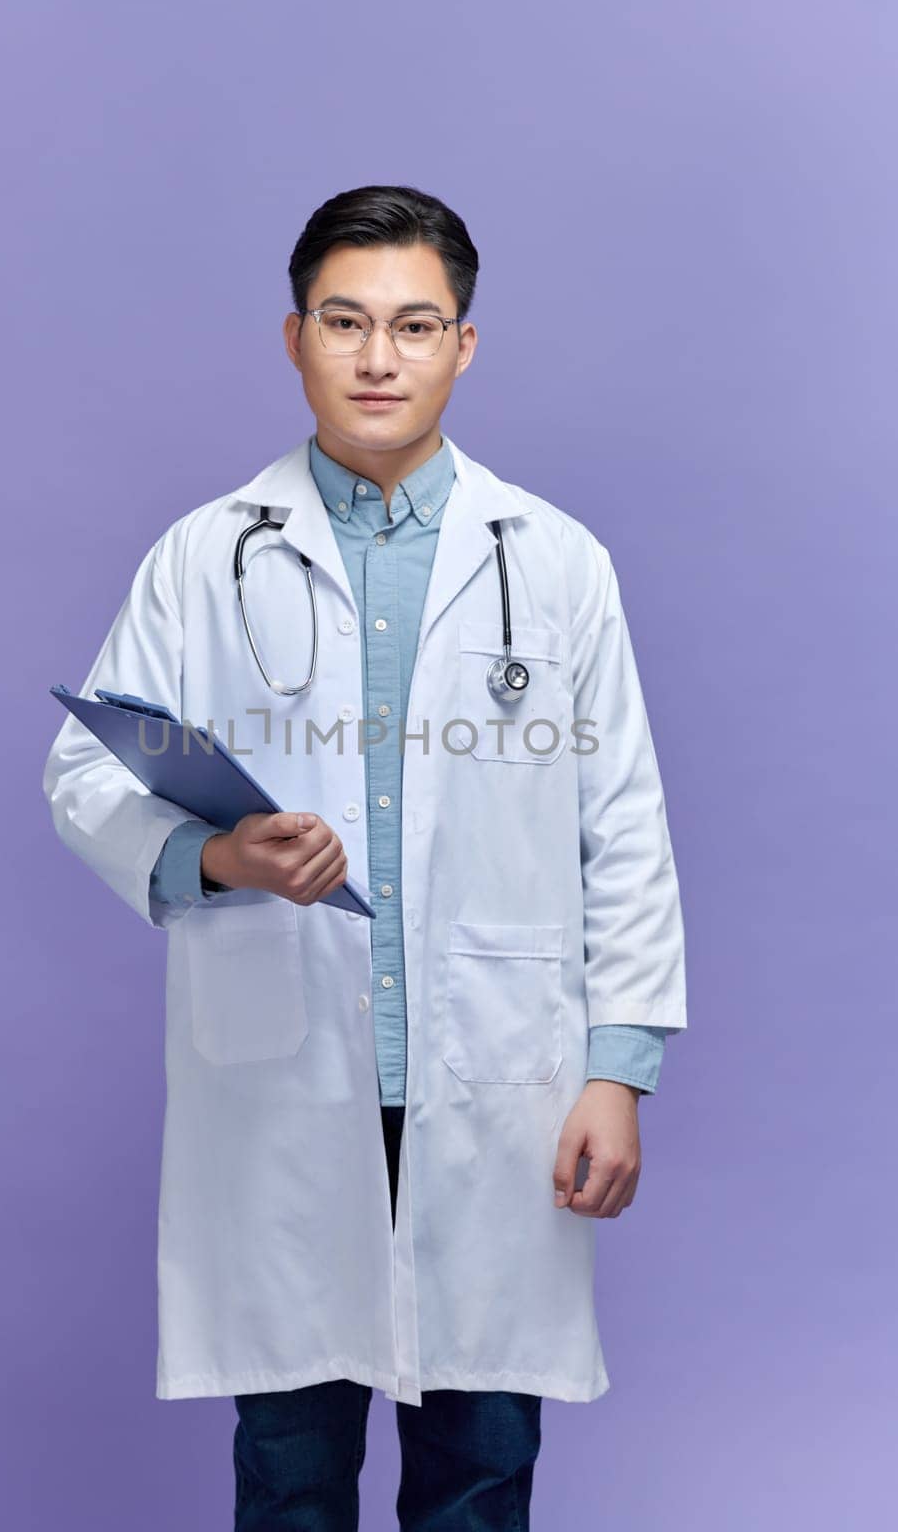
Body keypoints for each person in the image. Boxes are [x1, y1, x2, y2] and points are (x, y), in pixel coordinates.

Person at [43, 184, 687, 1530]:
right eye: (346, 322)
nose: (378, 358)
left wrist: (617, 1065)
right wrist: (221, 856)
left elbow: (620, 820)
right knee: (289, 1473)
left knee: (480, 1471)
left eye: (414, 324)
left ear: (463, 345)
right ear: (294, 339)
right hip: (288, 1082)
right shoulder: (207, 557)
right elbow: (88, 770)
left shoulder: (556, 565)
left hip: (499, 1074)